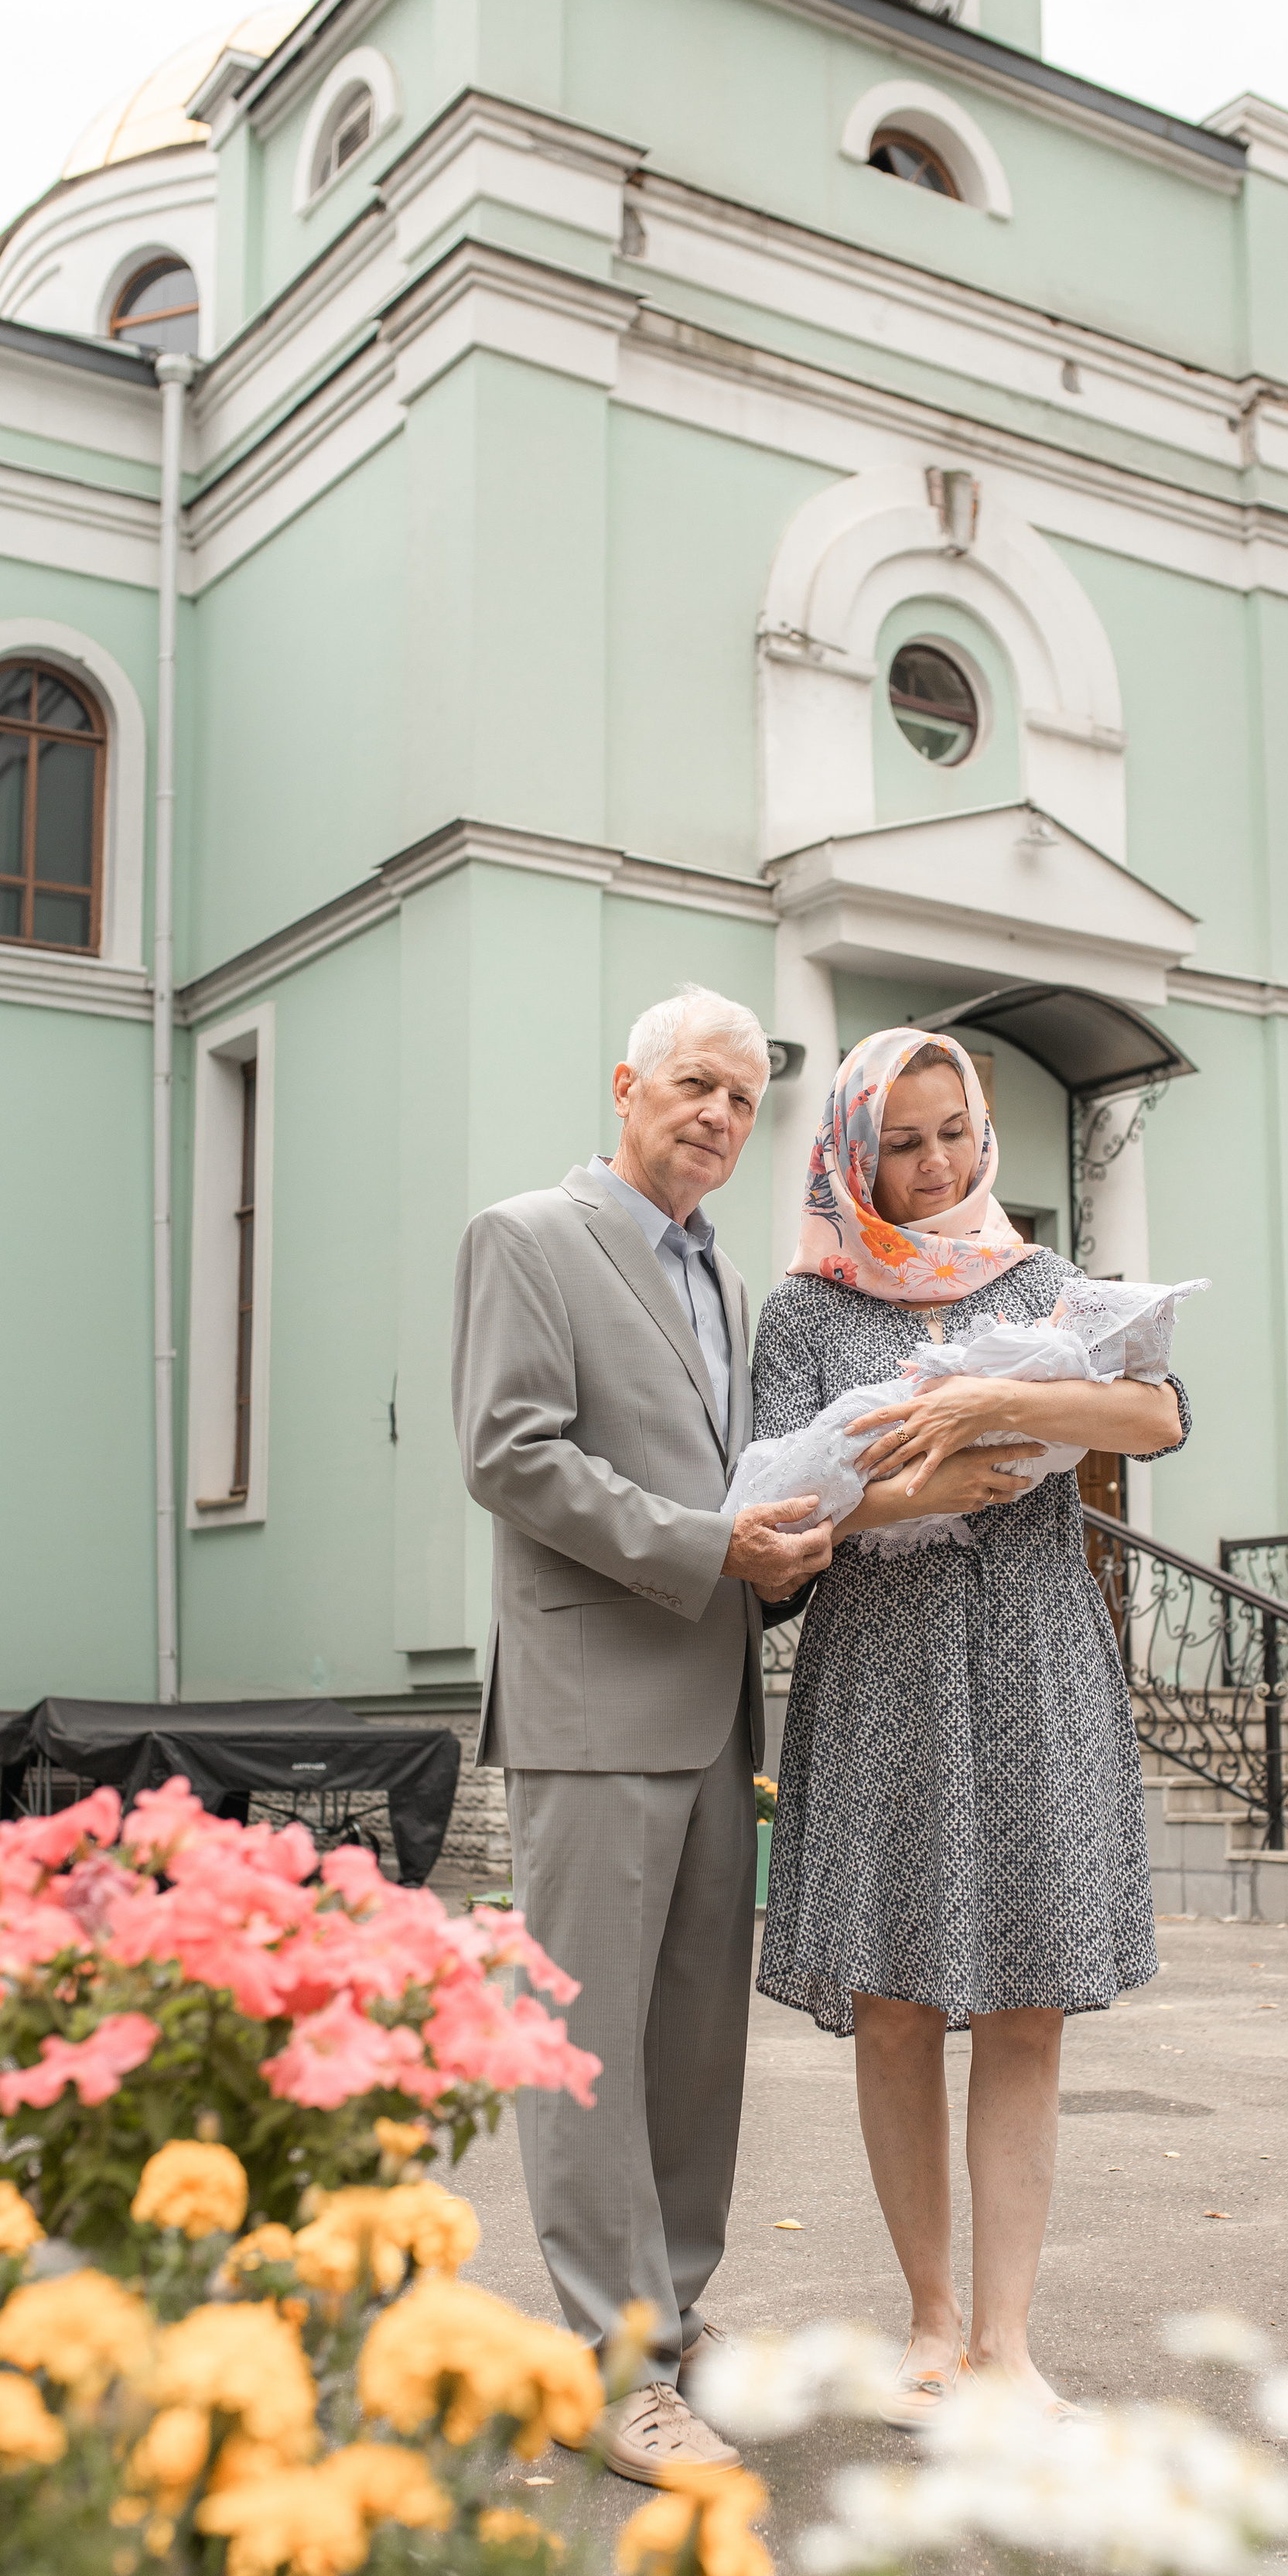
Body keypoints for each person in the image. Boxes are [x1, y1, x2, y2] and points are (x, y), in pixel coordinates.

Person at [751, 1027, 1189, 2420]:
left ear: (981, 1132)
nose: (933, 1165)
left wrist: (1002, 1393)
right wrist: (900, 1494)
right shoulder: (807, 1312)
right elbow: (767, 1504)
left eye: (953, 1133)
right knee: (894, 2007)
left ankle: (1008, 2342)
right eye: (903, 1140)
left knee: (1026, 2007)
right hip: (881, 1669)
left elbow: (1161, 1413)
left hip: (1031, 1658)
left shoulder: (1047, 1282)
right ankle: (931, 2323)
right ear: (854, 1150)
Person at [451, 984, 832, 2485]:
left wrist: (781, 1552)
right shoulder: (528, 1238)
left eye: (741, 1100)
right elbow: (508, 1451)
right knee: (587, 2047)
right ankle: (614, 2366)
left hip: (712, 1694)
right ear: (624, 1086)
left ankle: (669, 2318)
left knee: (690, 2049)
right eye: (692, 1085)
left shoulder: (725, 1284)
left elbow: (720, 1480)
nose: (717, 1118)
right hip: (590, 1706)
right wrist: (703, 1551)